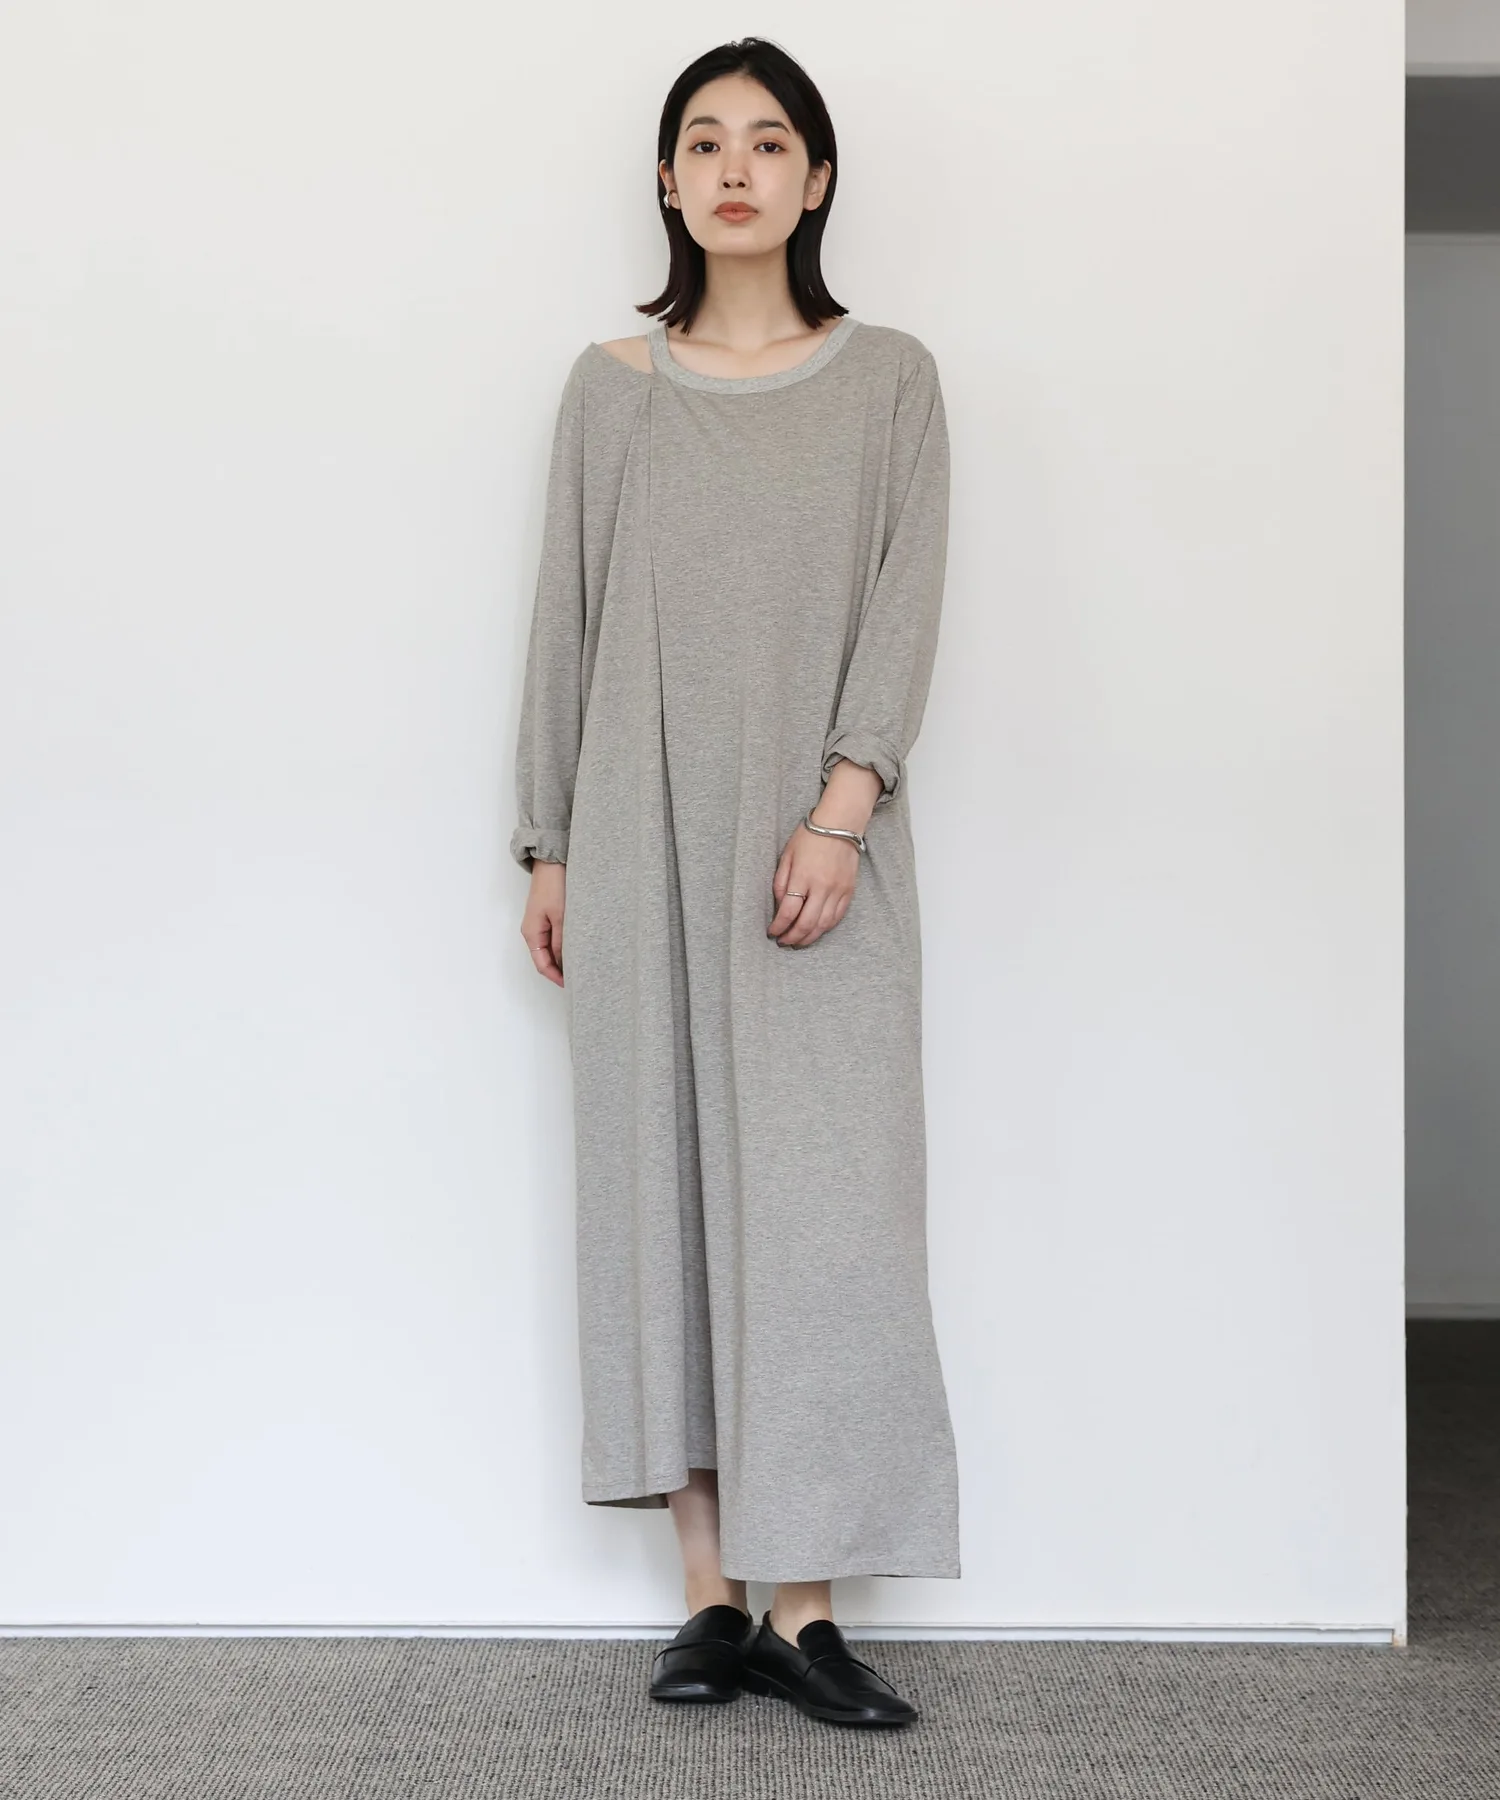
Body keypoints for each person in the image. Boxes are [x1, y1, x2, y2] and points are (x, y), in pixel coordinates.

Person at [512, 37, 961, 1729]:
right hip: (636, 837)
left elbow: (906, 598)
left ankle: (808, 1603)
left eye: (769, 143)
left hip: (810, 851)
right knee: (664, 1196)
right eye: (703, 142)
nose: (734, 170)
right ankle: (713, 1600)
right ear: (666, 179)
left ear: (817, 178)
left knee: (828, 1215)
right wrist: (550, 843)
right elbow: (564, 621)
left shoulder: (890, 380)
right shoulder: (611, 389)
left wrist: (842, 810)